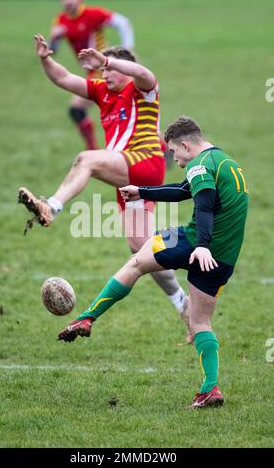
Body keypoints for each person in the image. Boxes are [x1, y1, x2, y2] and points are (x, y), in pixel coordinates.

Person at [58, 116, 249, 408]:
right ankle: (211, 388)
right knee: (199, 321)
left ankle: (87, 317)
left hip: (196, 243)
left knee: (136, 262)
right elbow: (186, 191)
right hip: (222, 258)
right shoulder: (225, 163)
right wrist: (142, 191)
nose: (173, 158)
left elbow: (205, 205)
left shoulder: (199, 165)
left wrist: (200, 246)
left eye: (173, 152)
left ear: (186, 144)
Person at [18, 36, 191, 341]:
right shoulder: (102, 92)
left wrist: (107, 60)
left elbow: (146, 74)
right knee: (142, 249)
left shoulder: (141, 89)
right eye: (102, 71)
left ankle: (51, 207)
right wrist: (46, 59)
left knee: (87, 159)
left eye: (109, 70)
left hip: (145, 163)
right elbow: (63, 78)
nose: (104, 75)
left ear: (125, 69)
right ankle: (183, 303)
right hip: (127, 175)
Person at [49, 0, 134, 150]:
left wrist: (128, 49)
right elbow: (52, 51)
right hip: (93, 72)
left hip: (105, 71)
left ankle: (93, 152)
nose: (68, 1)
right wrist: (54, 39)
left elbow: (123, 23)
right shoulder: (61, 20)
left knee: (77, 109)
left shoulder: (93, 14)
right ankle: (161, 147)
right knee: (131, 112)